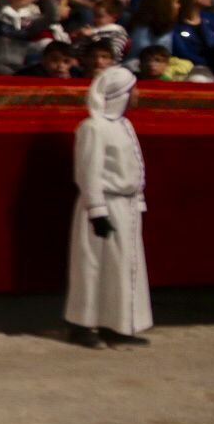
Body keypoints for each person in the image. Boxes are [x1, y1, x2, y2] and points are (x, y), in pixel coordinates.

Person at [64, 68, 151, 348]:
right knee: (93, 264)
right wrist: (97, 210)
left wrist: (136, 201)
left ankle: (118, 323)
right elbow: (88, 170)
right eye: (132, 89)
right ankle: (82, 324)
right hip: (103, 205)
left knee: (122, 266)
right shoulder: (93, 128)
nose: (137, 95)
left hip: (125, 206)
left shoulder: (124, 126)